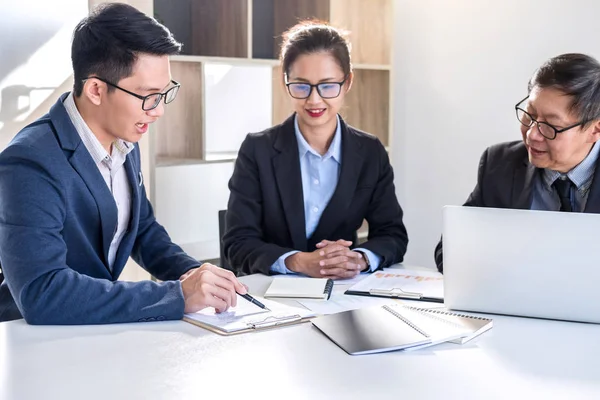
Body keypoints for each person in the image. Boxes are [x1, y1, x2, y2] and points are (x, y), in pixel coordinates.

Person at [0, 3, 246, 324]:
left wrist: (196, 274)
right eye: (148, 96)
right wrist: (176, 295)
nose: (157, 110)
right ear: (96, 89)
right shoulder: (29, 162)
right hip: (35, 340)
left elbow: (142, 230)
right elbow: (42, 292)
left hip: (96, 331)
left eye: (164, 93)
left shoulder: (125, 140)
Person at [223, 21, 408, 279]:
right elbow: (238, 244)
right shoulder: (258, 150)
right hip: (274, 297)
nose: (314, 99)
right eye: (301, 85)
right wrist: (298, 262)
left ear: (347, 82)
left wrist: (359, 259)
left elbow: (392, 235)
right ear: (284, 80)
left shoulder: (370, 152)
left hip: (344, 293)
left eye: (327, 85)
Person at [434, 53, 600, 273]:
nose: (532, 135)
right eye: (529, 116)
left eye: (550, 125)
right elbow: (449, 251)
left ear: (595, 129)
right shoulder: (500, 163)